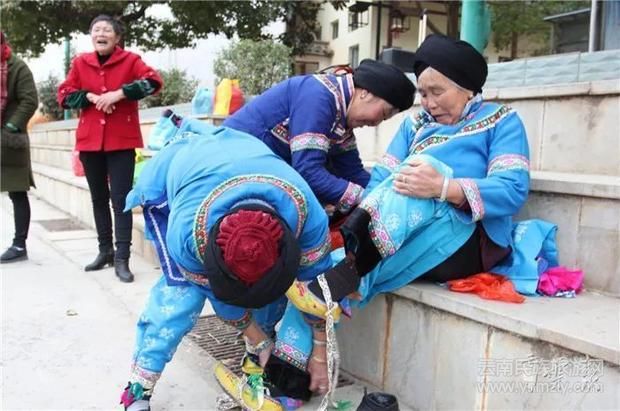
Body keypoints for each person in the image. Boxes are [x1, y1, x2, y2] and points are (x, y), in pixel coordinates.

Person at [268, 34, 532, 398]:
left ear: (467, 87)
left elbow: (513, 188)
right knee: (323, 275)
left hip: (466, 240)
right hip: (400, 235)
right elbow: (380, 182)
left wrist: (443, 187)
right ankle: (285, 385)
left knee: (423, 167)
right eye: (423, 93)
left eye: (436, 92)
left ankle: (347, 275)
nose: (428, 102)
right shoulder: (415, 125)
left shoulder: (502, 121)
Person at [119, 119, 357, 411]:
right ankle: (139, 388)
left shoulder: (307, 216)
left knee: (267, 293)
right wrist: (261, 342)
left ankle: (255, 361)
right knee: (179, 301)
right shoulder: (187, 236)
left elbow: (316, 290)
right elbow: (221, 296)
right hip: (180, 174)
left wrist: (321, 351)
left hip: (243, 158)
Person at [223, 59, 415, 214]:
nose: (376, 123)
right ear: (366, 93)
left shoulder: (342, 120)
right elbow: (308, 171)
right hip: (231, 167)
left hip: (257, 175)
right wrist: (365, 198)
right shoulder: (319, 96)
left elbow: (352, 171)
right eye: (383, 114)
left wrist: (388, 192)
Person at [57, 15, 162, 282]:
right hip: (90, 141)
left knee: (121, 200)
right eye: (96, 30)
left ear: (117, 37)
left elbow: (153, 82)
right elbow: (64, 95)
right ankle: (105, 251)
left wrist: (120, 93)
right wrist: (89, 96)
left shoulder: (131, 60)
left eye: (106, 30)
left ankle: (122, 257)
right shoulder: (80, 63)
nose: (100, 34)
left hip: (121, 141)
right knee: (98, 198)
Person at [0, 32, 38, 263]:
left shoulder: (17, 67)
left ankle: (19, 245)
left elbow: (30, 100)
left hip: (9, 142)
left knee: (17, 192)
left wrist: (11, 127)